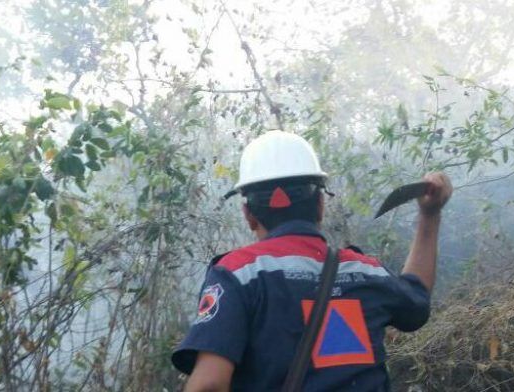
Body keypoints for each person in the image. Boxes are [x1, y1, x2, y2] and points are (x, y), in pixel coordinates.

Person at [171, 131, 452, 391]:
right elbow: (417, 299)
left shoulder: (239, 274)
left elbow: (209, 385)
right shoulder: (365, 271)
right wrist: (430, 216)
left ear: (248, 214)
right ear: (320, 205)